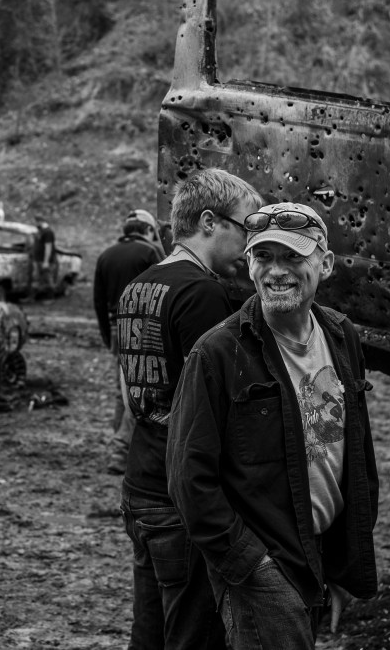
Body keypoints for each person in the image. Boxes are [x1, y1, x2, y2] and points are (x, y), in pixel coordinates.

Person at [166, 201, 379, 649]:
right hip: (266, 564)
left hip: (319, 555)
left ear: (325, 263)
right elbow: (188, 479)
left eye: (292, 257)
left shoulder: (342, 336)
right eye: (263, 257)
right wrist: (251, 566)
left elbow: (356, 454)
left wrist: (343, 565)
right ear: (248, 263)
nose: (276, 271)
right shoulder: (218, 353)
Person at [115, 168, 262, 650]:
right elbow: (219, 404)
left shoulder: (137, 286)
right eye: (245, 227)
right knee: (193, 636)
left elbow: (126, 384)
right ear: (208, 221)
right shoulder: (203, 292)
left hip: (140, 482)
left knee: (150, 628)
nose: (248, 244)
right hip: (181, 496)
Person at [92, 209, 164, 475]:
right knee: (141, 390)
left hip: (115, 331)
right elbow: (161, 290)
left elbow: (98, 301)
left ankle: (119, 444)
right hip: (143, 331)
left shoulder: (105, 255)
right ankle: (123, 450)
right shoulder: (150, 254)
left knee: (119, 392)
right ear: (147, 230)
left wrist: (105, 335)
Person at [30, 215, 57, 299]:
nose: (35, 224)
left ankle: (50, 297)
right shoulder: (40, 231)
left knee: (47, 279)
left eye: (36, 222)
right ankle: (32, 297)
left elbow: (48, 247)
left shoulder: (48, 232)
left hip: (45, 260)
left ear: (40, 221)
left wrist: (46, 261)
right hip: (37, 259)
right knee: (36, 278)